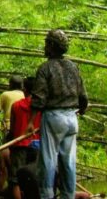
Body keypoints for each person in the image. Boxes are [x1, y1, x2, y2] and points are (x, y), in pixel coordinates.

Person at [27, 29, 88, 199]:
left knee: (48, 160)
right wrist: (82, 109)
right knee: (68, 162)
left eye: (47, 43)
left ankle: (47, 195)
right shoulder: (73, 67)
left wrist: (31, 121)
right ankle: (68, 195)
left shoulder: (45, 68)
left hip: (54, 118)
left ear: (52, 46)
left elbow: (39, 98)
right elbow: (83, 96)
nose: (45, 46)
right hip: (71, 118)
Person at [0, 75, 25, 196]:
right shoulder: (25, 95)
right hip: (22, 130)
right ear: (22, 86)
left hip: (9, 130)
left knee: (4, 160)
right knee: (18, 158)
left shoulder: (5, 95)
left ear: (10, 84)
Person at [7, 77, 41, 199]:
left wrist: (9, 141)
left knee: (15, 180)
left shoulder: (16, 106)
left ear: (24, 89)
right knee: (35, 177)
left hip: (19, 145)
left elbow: (12, 129)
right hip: (37, 144)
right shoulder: (41, 107)